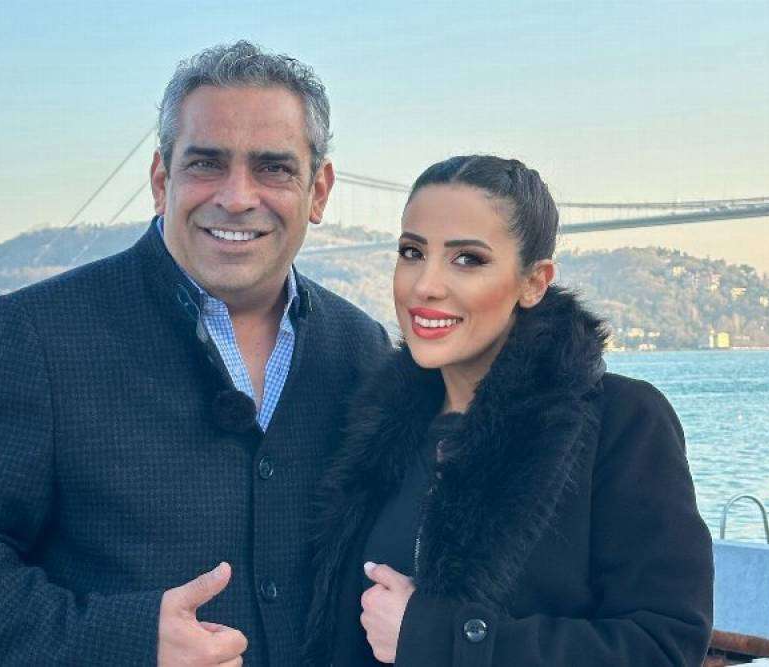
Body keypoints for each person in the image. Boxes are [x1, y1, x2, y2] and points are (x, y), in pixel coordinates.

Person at [0, 41, 390, 666]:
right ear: (161, 180)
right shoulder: (39, 333)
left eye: (274, 168)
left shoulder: (363, 350)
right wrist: (125, 641)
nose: (237, 196)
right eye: (206, 163)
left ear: (319, 191)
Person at [304, 155, 714, 665]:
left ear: (534, 282)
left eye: (467, 259)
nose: (425, 284)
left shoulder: (621, 423)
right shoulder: (373, 429)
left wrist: (439, 637)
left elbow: (663, 647)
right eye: (412, 252)